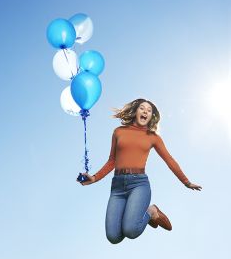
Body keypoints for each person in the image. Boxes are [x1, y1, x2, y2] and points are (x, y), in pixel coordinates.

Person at [77, 98, 202, 244]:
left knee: (130, 230)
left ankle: (151, 211)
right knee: (113, 237)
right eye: (142, 108)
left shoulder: (153, 137)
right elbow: (112, 161)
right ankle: (135, 215)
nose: (145, 112)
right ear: (136, 111)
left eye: (149, 111)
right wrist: (93, 178)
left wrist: (186, 182)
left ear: (151, 116)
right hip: (117, 187)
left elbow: (169, 160)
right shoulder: (118, 132)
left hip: (139, 184)